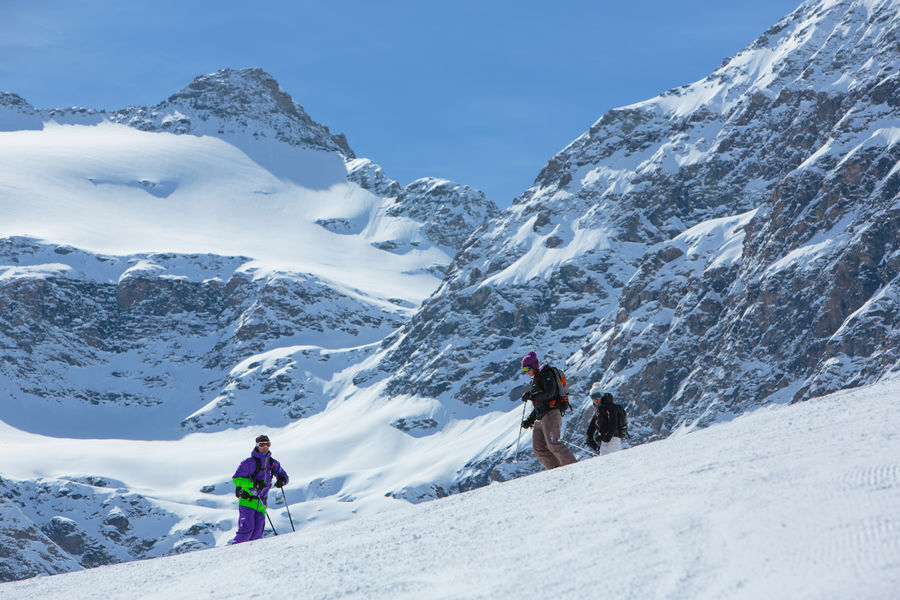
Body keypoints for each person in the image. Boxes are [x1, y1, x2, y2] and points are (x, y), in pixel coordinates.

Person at [519, 351, 577, 469]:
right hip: (540, 418)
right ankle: (556, 470)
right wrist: (529, 421)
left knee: (553, 443)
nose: (526, 372)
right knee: (538, 448)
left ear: (534, 366)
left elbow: (550, 393)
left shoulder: (547, 374)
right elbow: (539, 405)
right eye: (524, 370)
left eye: (527, 368)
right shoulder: (535, 381)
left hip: (551, 414)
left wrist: (532, 396)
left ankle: (574, 466)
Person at [231, 434, 289, 544]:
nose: (265, 447)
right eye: (262, 444)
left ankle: (251, 557)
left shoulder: (273, 463)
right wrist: (253, 483)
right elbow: (236, 479)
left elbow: (283, 475)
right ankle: (231, 553)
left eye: (267, 444)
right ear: (257, 445)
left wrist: (282, 480)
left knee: (257, 534)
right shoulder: (248, 462)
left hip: (262, 503)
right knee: (246, 531)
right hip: (247, 501)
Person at [585, 383, 625, 455]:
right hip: (605, 443)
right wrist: (591, 442)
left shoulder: (610, 407)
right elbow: (590, 430)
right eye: (593, 397)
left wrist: (606, 437)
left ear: (602, 395)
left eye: (598, 396)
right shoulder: (598, 412)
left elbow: (613, 423)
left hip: (613, 441)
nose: (596, 399)